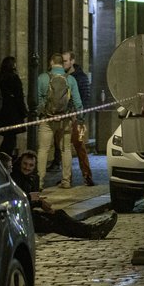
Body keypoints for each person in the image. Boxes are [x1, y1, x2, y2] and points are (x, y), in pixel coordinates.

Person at [11, 150, 118, 239]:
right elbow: (15, 201)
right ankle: (90, 232)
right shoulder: (15, 178)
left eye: (31, 165)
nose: (27, 167)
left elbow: (33, 200)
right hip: (21, 218)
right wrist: (32, 199)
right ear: (20, 163)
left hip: (30, 214)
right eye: (25, 164)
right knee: (55, 224)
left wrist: (40, 203)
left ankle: (92, 229)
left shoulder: (34, 178)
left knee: (59, 214)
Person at [37, 53, 83, 189]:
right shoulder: (70, 79)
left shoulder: (43, 78)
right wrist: (80, 118)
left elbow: (37, 99)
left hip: (47, 119)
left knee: (43, 149)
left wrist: (44, 112)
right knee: (66, 150)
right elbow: (77, 101)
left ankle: (39, 181)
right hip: (65, 119)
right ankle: (66, 181)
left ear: (51, 63)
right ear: (62, 64)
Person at [63, 50, 94, 186]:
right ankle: (66, 178)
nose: (63, 63)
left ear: (72, 61)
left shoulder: (81, 77)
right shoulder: (61, 76)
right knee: (64, 148)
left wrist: (81, 117)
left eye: (65, 61)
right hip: (64, 117)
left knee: (80, 145)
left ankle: (87, 175)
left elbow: (86, 98)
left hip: (78, 119)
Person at [0, 56, 28, 156]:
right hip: (13, 112)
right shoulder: (14, 78)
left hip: (2, 112)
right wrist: (23, 112)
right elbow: (19, 96)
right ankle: (6, 158)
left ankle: (3, 156)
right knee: (11, 139)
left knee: (6, 137)